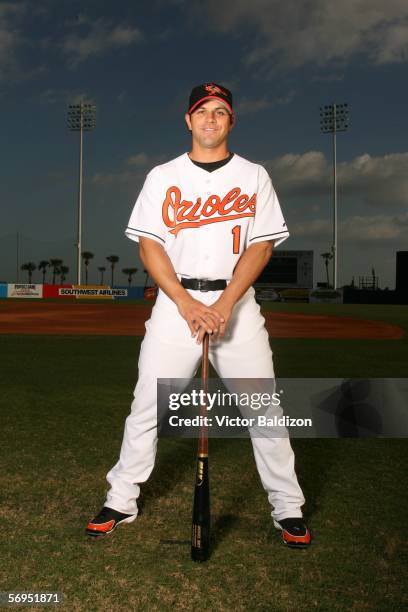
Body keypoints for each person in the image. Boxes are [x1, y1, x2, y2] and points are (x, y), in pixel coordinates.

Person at [86, 83, 311, 548]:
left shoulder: (254, 176)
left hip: (238, 307)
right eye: (202, 111)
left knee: (264, 409)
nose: (211, 119)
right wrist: (187, 304)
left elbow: (262, 244)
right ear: (188, 121)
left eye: (220, 112)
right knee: (147, 405)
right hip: (176, 305)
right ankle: (120, 500)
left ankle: (288, 509)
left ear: (231, 121)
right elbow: (150, 245)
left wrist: (225, 303)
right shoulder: (162, 175)